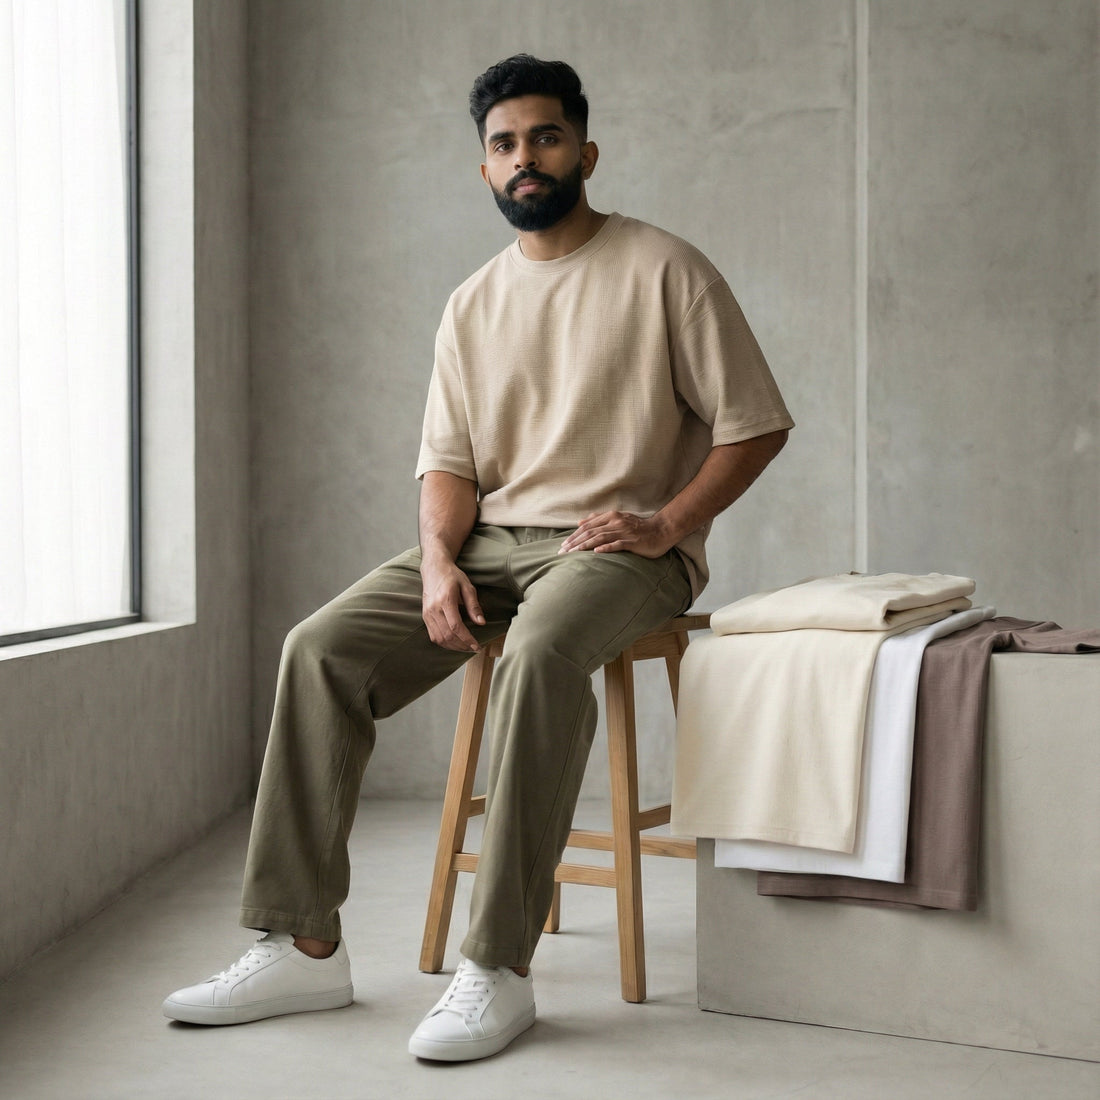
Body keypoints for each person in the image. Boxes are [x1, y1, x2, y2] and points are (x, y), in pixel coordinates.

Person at [162, 54, 794, 1062]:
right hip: (491, 542)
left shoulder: (663, 267)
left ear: (584, 151)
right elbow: (448, 463)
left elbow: (753, 424)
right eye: (502, 144)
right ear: (484, 167)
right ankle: (305, 943)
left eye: (543, 137)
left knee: (542, 651)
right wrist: (439, 558)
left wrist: (668, 521)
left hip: (618, 552)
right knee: (317, 647)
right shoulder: (471, 302)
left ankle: (496, 965)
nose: (523, 159)